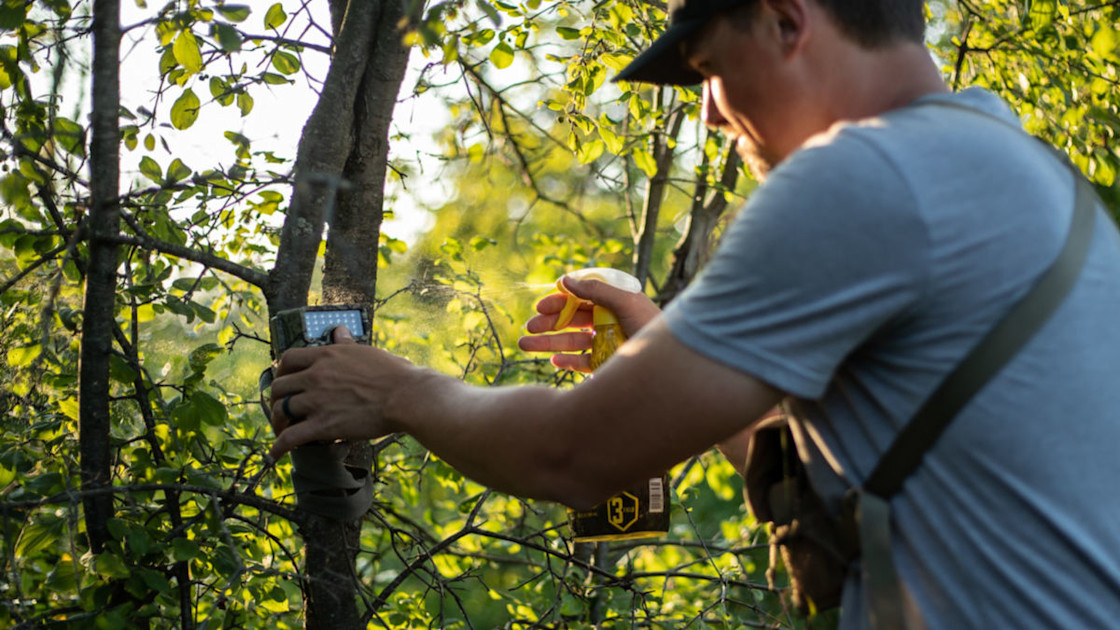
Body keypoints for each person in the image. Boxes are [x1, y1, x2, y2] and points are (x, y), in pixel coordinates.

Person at [268, 0, 1120, 627]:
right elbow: (864, 487)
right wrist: (659, 341)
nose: (710, 113)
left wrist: (398, 392)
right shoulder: (1026, 174)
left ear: (789, 22)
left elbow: (570, 458)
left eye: (710, 68)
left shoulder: (866, 177)